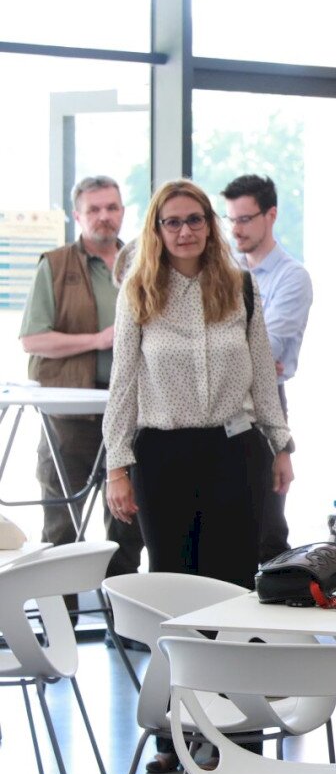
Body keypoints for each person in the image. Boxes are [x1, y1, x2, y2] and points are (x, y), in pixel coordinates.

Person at [104, 177, 292, 588]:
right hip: (162, 457)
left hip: (235, 452)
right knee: (173, 583)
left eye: (194, 220)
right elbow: (122, 386)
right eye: (172, 222)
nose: (185, 231)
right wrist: (115, 469)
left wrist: (281, 446)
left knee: (235, 582)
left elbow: (263, 374)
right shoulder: (137, 292)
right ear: (157, 230)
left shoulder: (241, 286)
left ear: (209, 224)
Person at [17, 176, 144, 593]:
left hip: (132, 415)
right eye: (94, 209)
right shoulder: (55, 265)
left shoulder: (143, 261)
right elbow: (32, 340)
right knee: (61, 529)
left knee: (128, 529)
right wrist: (97, 340)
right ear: (77, 215)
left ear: (122, 211)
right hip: (70, 421)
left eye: (112, 207)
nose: (104, 216)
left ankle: (123, 618)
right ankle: (62, 622)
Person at [222, 174, 313, 562]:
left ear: (270, 215)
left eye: (245, 219)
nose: (235, 230)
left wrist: (230, 349)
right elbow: (249, 350)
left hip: (266, 403)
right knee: (224, 523)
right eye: (231, 220)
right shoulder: (223, 273)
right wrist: (242, 350)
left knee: (267, 527)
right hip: (220, 404)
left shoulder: (292, 277)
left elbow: (267, 347)